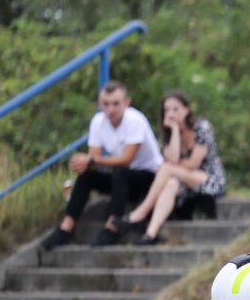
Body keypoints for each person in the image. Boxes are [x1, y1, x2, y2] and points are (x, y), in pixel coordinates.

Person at [42, 81, 163, 249]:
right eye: (106, 104)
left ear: (126, 103)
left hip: (149, 178)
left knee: (120, 172)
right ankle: (66, 227)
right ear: (100, 104)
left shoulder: (135, 120)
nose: (111, 109)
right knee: (87, 176)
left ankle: (112, 227)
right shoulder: (98, 122)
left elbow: (126, 160)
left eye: (116, 104)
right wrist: (82, 163)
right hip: (122, 179)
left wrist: (91, 160)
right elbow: (94, 160)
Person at [121, 91, 227, 244]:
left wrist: (174, 165)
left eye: (175, 109)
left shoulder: (202, 127)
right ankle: (151, 233)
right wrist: (175, 131)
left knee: (166, 169)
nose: (170, 114)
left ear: (187, 109)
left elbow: (193, 164)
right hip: (183, 182)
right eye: (167, 110)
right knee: (170, 183)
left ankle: (141, 212)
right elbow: (172, 159)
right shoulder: (167, 133)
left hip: (208, 179)